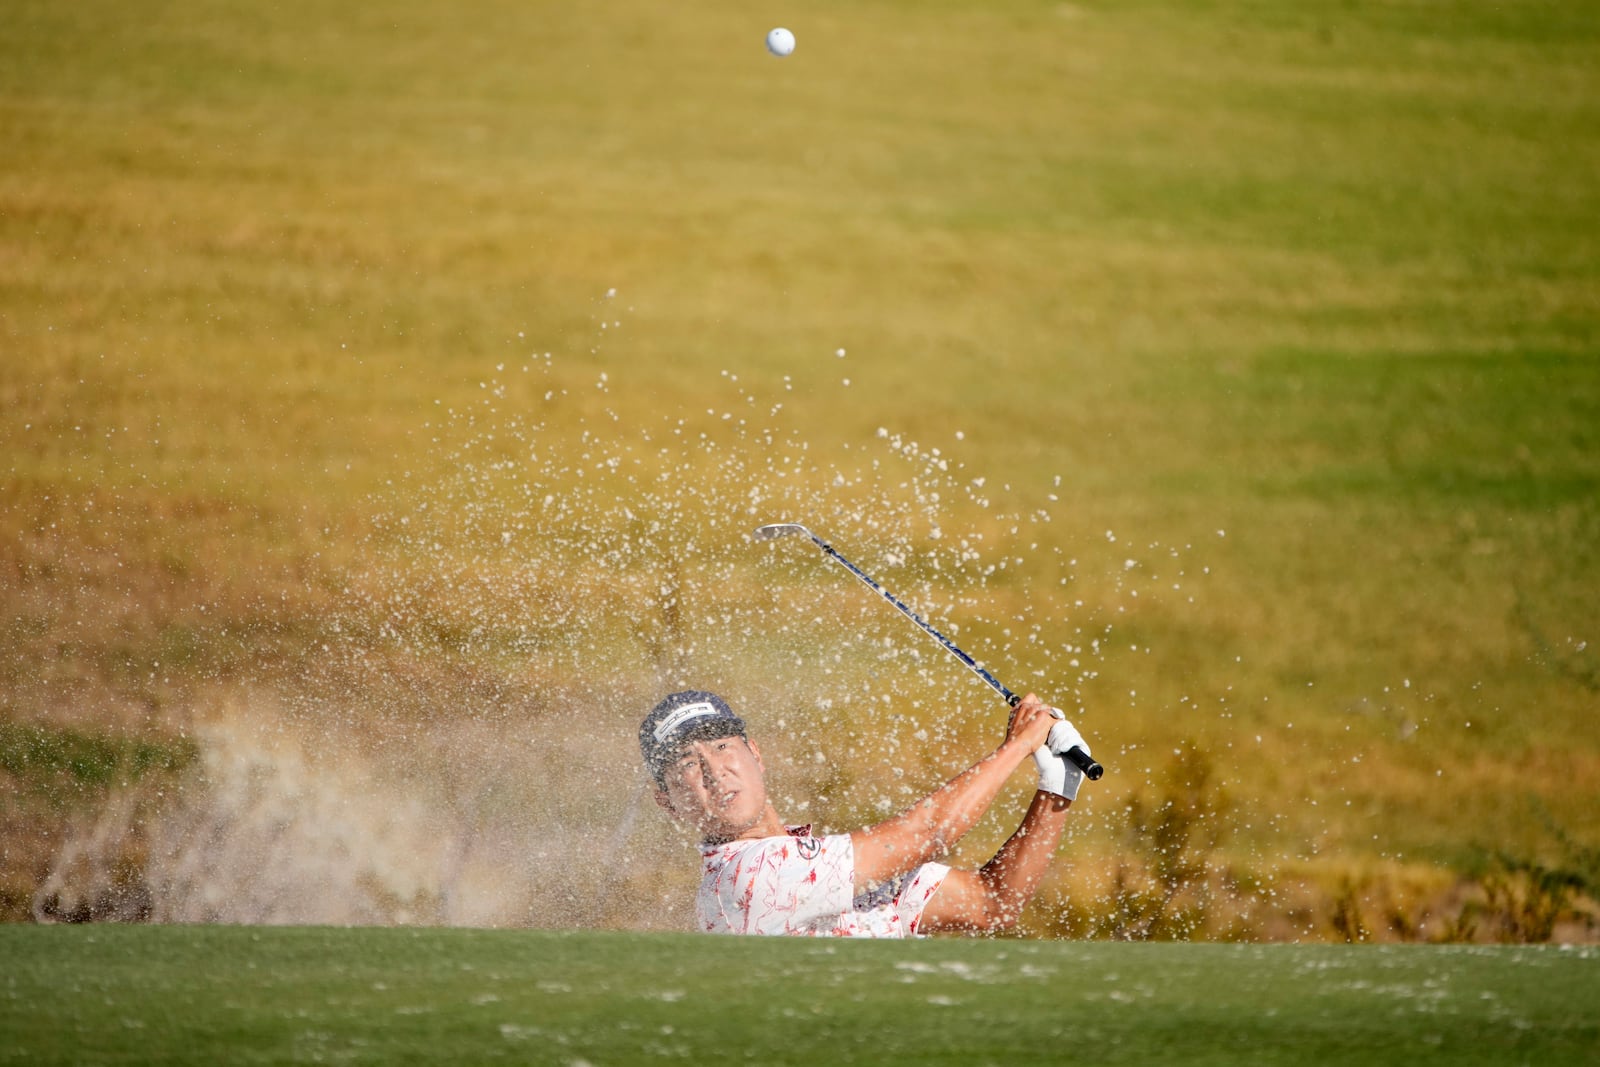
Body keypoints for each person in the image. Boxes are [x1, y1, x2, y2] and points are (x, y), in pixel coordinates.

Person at [639, 688, 1092, 937]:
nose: (715, 772)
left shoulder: (816, 868)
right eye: (687, 765)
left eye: (721, 747)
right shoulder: (743, 877)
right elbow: (929, 833)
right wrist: (1019, 745)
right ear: (667, 802)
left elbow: (993, 903)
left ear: (755, 754)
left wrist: (1055, 790)